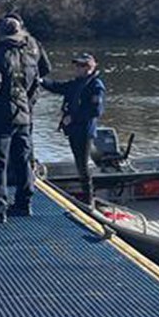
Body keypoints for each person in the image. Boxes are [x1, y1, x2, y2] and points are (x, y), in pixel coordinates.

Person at [0, 14, 48, 223]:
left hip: (2, 115)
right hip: (24, 112)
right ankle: (24, 203)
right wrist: (29, 97)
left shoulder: (2, 52)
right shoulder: (32, 47)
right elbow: (44, 71)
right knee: (23, 159)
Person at [42, 53, 106, 206]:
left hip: (84, 131)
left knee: (82, 165)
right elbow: (58, 87)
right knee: (79, 163)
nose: (77, 68)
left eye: (81, 65)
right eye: (76, 65)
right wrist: (40, 81)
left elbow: (96, 111)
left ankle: (89, 199)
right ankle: (87, 196)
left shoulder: (96, 85)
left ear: (89, 67)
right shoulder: (76, 83)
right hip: (73, 131)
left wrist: (73, 118)